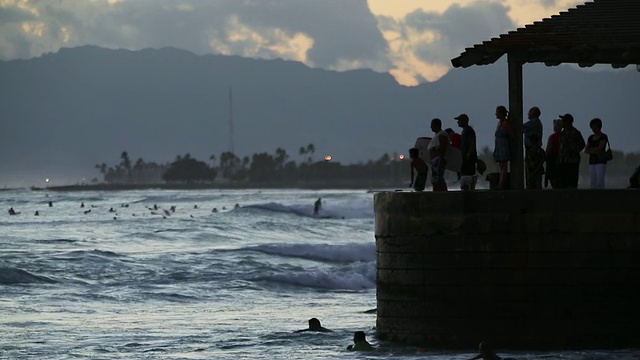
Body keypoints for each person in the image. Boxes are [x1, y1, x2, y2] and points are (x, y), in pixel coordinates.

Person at [558, 113, 586, 188]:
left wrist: (574, 149)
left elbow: (582, 145)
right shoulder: (562, 133)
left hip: (572, 161)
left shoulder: (575, 133)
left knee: (572, 182)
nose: (562, 123)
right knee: (563, 182)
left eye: (563, 121)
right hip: (563, 161)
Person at [584, 118, 609, 189]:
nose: (593, 129)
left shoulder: (603, 136)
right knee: (593, 181)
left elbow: (600, 148)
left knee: (599, 182)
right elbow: (586, 150)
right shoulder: (590, 138)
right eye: (592, 127)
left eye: (595, 127)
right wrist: (594, 150)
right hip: (592, 162)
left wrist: (591, 150)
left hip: (600, 161)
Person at [493, 106, 514, 190]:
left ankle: (501, 184)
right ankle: (500, 183)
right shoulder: (499, 124)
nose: (495, 114)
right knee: (501, 166)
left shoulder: (506, 123)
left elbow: (512, 135)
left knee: (503, 167)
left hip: (504, 147)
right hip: (499, 147)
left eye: (497, 112)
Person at [456, 114, 478, 191]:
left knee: (467, 175)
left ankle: (470, 187)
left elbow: (472, 143)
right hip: (465, 157)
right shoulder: (464, 131)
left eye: (459, 120)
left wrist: (469, 153)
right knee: (464, 175)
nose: (458, 122)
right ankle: (466, 189)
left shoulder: (469, 130)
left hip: (468, 158)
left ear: (463, 121)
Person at [524, 107, 543, 189]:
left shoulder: (533, 123)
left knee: (531, 172)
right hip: (534, 150)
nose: (528, 114)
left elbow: (519, 128)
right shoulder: (538, 123)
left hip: (532, 151)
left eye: (529, 112)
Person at [428, 118, 449, 191]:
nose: (431, 127)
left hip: (438, 159)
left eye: (432, 125)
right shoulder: (437, 135)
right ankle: (437, 190)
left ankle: (441, 191)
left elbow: (443, 146)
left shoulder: (442, 134)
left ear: (436, 125)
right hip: (435, 160)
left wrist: (441, 158)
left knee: (438, 177)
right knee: (435, 177)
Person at [545, 119, 562, 188]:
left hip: (553, 159)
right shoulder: (564, 135)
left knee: (553, 179)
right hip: (562, 160)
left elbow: (549, 150)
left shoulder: (552, 137)